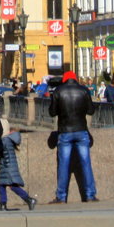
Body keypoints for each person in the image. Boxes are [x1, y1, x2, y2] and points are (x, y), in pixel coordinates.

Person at [48, 70, 96, 204]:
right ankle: (90, 195)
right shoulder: (84, 90)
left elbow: (52, 112)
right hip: (81, 130)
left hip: (65, 132)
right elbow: (91, 110)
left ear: (65, 79)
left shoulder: (58, 91)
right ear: (75, 79)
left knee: (64, 165)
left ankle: (61, 197)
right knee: (86, 163)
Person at [0, 119, 36, 210]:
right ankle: (3, 204)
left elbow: (0, 151)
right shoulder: (8, 139)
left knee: (12, 186)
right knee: (2, 184)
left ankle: (29, 199)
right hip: (8, 166)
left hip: (8, 166)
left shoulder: (4, 140)